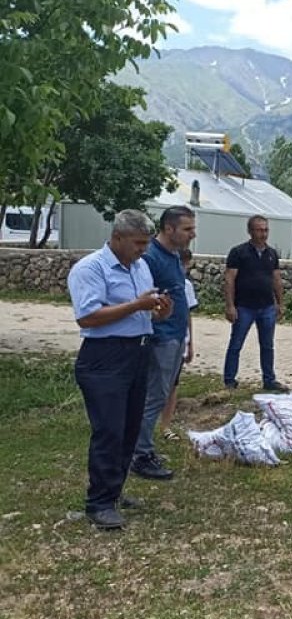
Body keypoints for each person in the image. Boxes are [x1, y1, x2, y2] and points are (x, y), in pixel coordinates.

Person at [67, 210, 173, 529]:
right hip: (104, 357)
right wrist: (136, 306)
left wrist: (158, 312)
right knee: (109, 430)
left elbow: (143, 315)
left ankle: (114, 491)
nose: (143, 249)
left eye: (146, 243)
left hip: (137, 352)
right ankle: (98, 503)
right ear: (118, 237)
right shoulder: (90, 269)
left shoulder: (140, 268)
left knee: (128, 428)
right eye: (138, 243)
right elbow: (88, 317)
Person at [130, 206, 196, 480]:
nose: (193, 234)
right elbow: (144, 298)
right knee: (154, 395)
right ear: (169, 229)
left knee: (162, 392)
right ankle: (140, 455)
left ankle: (143, 447)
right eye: (187, 229)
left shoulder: (173, 255)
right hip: (162, 337)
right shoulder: (151, 258)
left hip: (176, 335)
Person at [223, 215, 287, 391]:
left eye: (266, 230)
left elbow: (276, 279)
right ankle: (229, 380)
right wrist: (230, 305)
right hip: (244, 306)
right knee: (236, 344)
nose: (263, 234)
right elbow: (229, 279)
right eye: (259, 230)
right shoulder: (238, 252)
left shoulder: (272, 253)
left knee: (267, 345)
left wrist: (280, 303)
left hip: (266, 306)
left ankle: (269, 379)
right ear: (250, 231)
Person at [159, 248, 199, 439]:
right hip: (162, 339)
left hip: (180, 340)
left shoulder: (186, 286)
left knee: (173, 385)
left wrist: (190, 342)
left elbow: (187, 314)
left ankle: (165, 426)